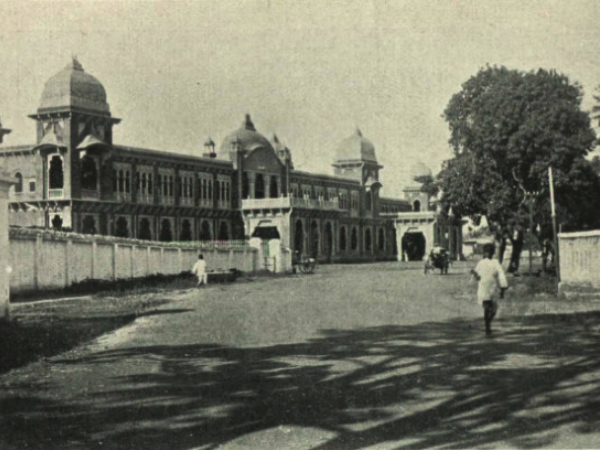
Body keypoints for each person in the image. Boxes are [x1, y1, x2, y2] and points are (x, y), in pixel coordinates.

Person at [471, 243, 508, 335]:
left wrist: (474, 276)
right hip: (490, 287)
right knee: (491, 308)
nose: (487, 253)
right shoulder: (492, 263)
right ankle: (488, 325)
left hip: (487, 287)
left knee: (488, 307)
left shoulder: (484, 262)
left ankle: (487, 325)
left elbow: (476, 276)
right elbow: (501, 275)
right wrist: (503, 287)